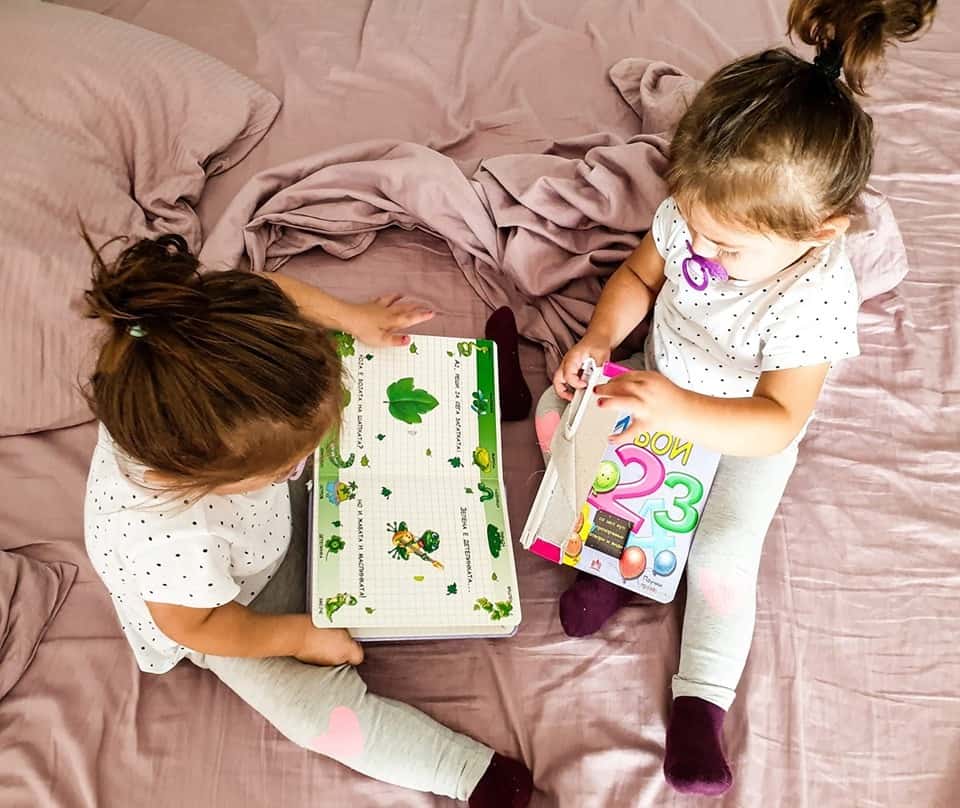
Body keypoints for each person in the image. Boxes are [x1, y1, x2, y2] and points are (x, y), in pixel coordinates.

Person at [534, 0, 936, 795]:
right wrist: (598, 343)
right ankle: (622, 569)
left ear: (820, 233)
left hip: (747, 432)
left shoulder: (816, 296)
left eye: (727, 247)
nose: (701, 251)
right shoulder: (697, 213)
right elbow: (640, 275)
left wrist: (677, 414)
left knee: (721, 555)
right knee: (579, 444)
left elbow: (779, 419)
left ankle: (701, 700)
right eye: (690, 221)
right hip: (660, 384)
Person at [82, 233, 533, 807]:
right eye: (287, 464)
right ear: (200, 476)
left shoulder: (197, 335)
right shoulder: (166, 539)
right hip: (231, 607)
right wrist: (298, 635)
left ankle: (483, 401)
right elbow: (193, 626)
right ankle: (466, 774)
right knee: (314, 715)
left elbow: (270, 293)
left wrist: (353, 319)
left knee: (388, 445)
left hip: (260, 526)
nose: (301, 466)